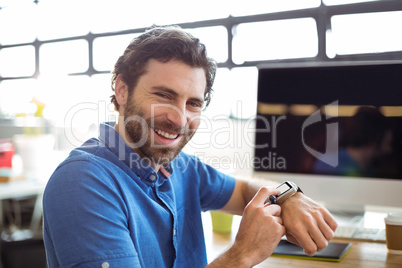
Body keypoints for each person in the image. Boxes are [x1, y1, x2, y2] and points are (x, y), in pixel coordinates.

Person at [43, 25, 337, 268]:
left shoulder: (182, 168)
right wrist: (241, 255)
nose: (179, 118)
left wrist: (288, 196)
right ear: (121, 90)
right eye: (164, 95)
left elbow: (245, 191)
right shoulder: (83, 181)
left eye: (193, 103)